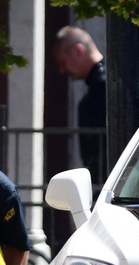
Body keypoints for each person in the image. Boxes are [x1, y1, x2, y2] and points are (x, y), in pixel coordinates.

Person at [52, 25, 108, 191]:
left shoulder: (105, 84)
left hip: (109, 180)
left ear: (78, 51)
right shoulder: (102, 83)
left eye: (63, 62)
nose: (62, 70)